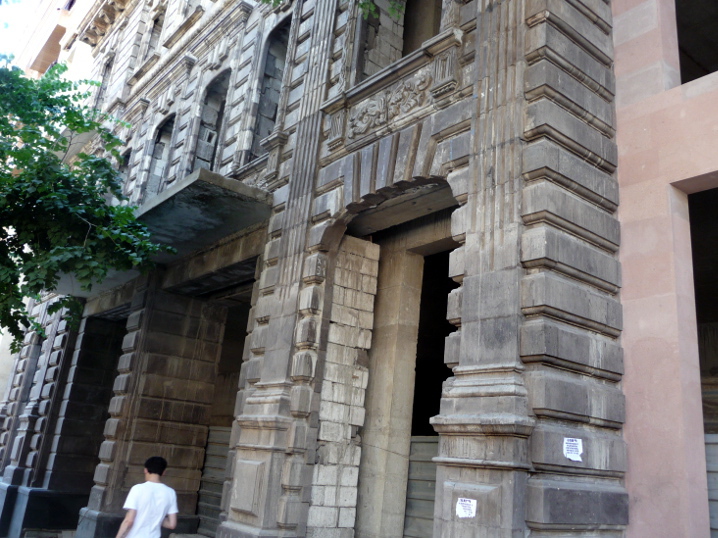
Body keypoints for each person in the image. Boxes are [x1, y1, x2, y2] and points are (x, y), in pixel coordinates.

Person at [116, 456, 178, 538]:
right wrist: (156, 516)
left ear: (145, 470)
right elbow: (172, 524)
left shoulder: (137, 489)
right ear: (164, 472)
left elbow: (129, 521)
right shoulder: (170, 492)